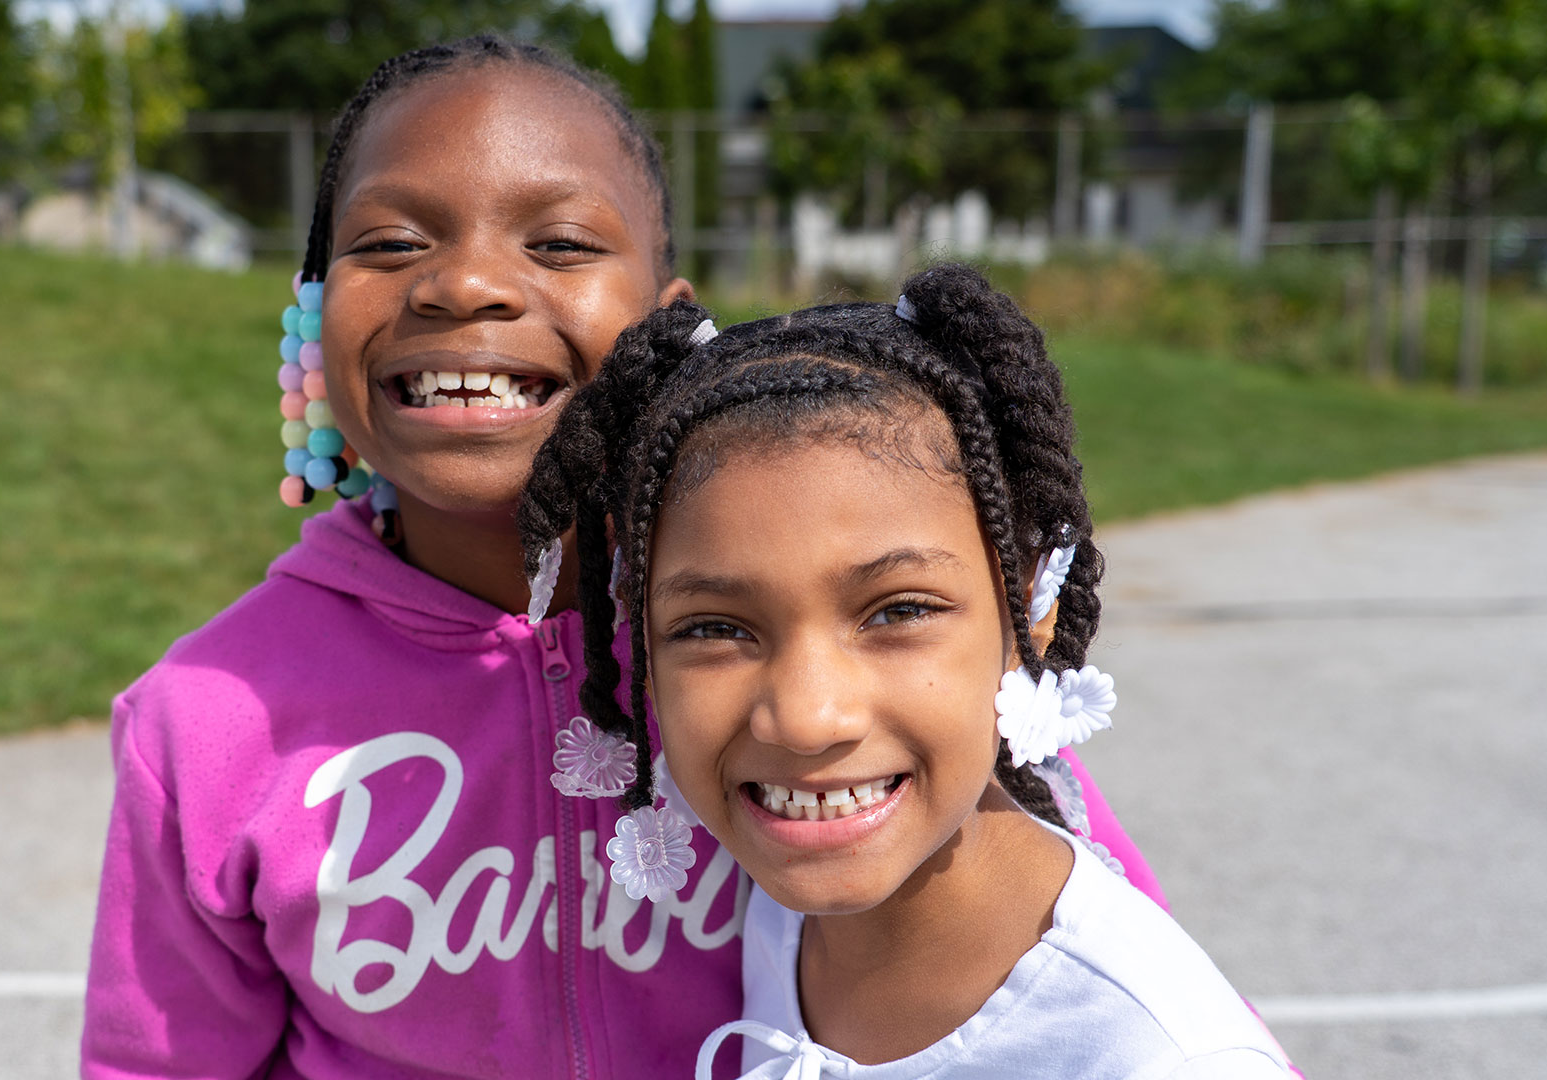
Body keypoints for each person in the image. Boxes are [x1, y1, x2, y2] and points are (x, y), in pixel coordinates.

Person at [81, 36, 1162, 1079]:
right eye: (391, 243)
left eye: (557, 244)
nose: (463, 287)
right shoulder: (202, 721)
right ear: (309, 317)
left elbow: (1116, 975)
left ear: (665, 323)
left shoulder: (808, 645)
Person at [515, 265, 1295, 1079]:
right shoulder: (789, 912)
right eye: (714, 628)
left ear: (1030, 601)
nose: (807, 718)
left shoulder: (1158, 1058)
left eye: (898, 611)